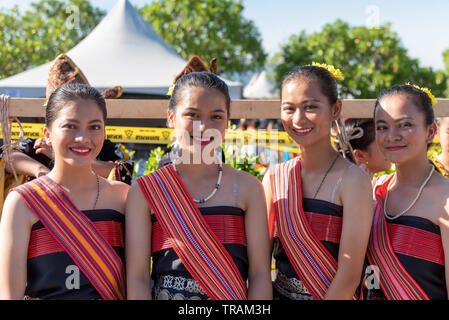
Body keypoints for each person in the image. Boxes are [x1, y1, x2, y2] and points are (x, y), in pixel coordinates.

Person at [126, 70, 272, 300]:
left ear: (227, 122)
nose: (204, 127)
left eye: (216, 116)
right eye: (192, 115)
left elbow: (260, 275)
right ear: (171, 118)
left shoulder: (248, 188)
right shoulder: (146, 192)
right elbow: (137, 277)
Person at [0, 83, 129, 299]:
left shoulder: (123, 197)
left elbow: (138, 281)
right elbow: (9, 295)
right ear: (47, 134)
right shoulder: (23, 202)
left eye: (94, 127)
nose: (83, 137)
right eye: (70, 126)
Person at [263, 63, 374, 300]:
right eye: (289, 108)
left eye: (311, 107)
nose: (299, 119)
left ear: (335, 110)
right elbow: (260, 267)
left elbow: (349, 276)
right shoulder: (275, 177)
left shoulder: (353, 181)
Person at [366, 84, 449, 300]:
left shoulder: (446, 199)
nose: (392, 136)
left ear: (430, 131)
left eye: (405, 125)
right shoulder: (373, 191)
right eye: (382, 127)